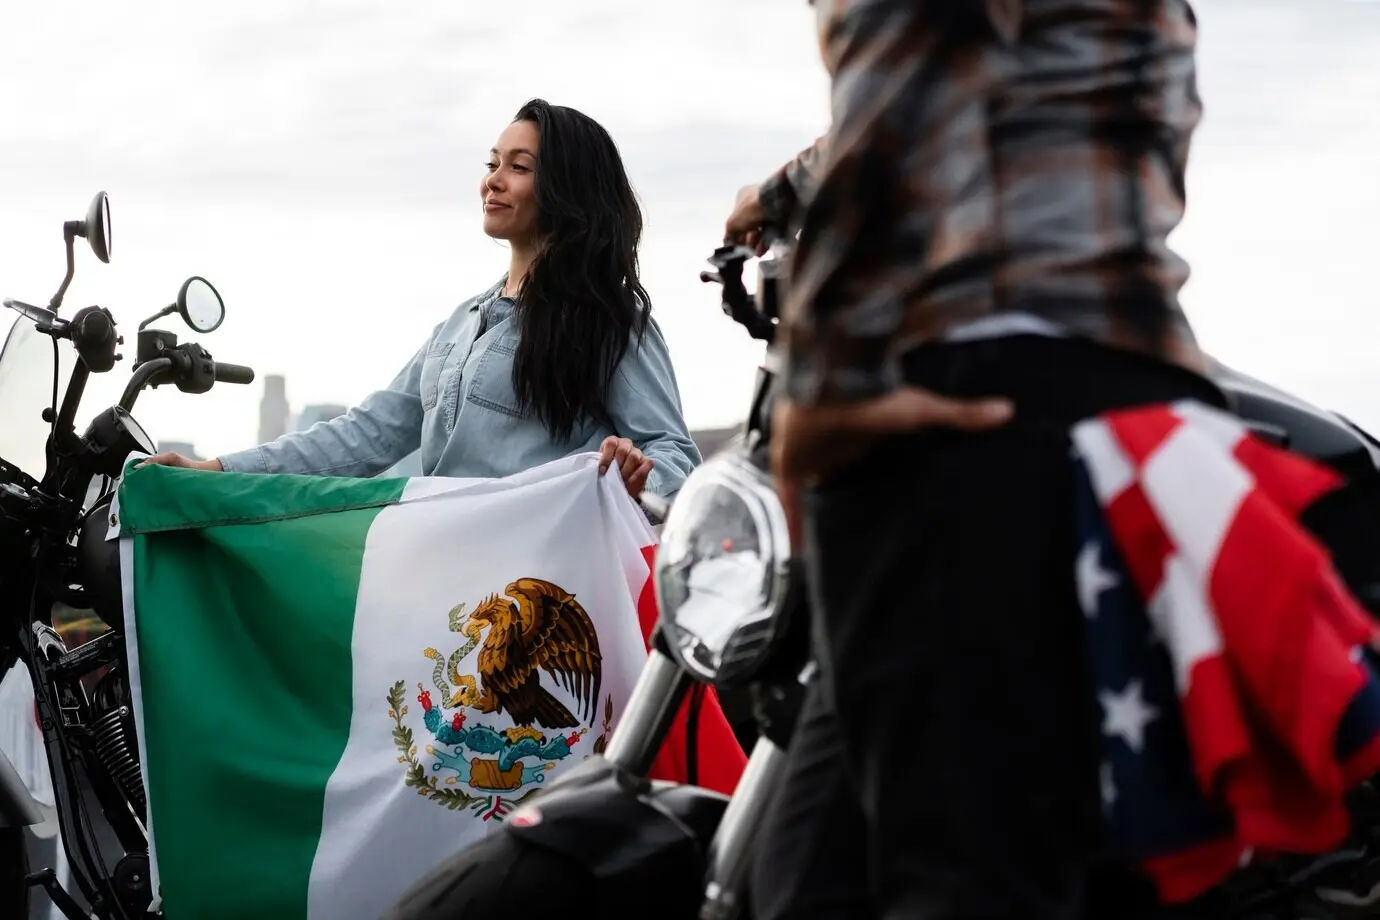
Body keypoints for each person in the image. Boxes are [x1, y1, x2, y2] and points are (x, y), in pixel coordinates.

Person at [726, 3, 1223, 919]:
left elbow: (905, 82)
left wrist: (825, 391)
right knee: (827, 869)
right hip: (1125, 398)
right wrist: (788, 185)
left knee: (951, 880)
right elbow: (1012, 80)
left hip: (961, 411)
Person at [144, 98, 701, 501]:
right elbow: (367, 435)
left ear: (568, 191)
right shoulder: (459, 325)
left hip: (535, 599)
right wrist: (216, 470)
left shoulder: (610, 322)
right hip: (443, 592)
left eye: (519, 167)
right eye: (492, 164)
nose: (494, 181)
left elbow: (674, 453)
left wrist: (638, 473)